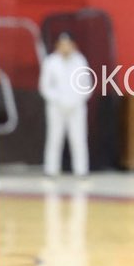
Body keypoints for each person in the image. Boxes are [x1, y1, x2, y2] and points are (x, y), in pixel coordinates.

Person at [39, 32, 93, 178]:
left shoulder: (80, 61)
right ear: (57, 46)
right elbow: (45, 86)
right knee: (54, 137)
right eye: (62, 45)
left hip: (76, 107)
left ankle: (81, 170)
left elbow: (87, 85)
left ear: (73, 45)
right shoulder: (51, 62)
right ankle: (51, 169)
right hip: (56, 107)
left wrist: (77, 100)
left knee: (79, 138)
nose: (65, 48)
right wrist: (58, 99)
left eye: (68, 44)